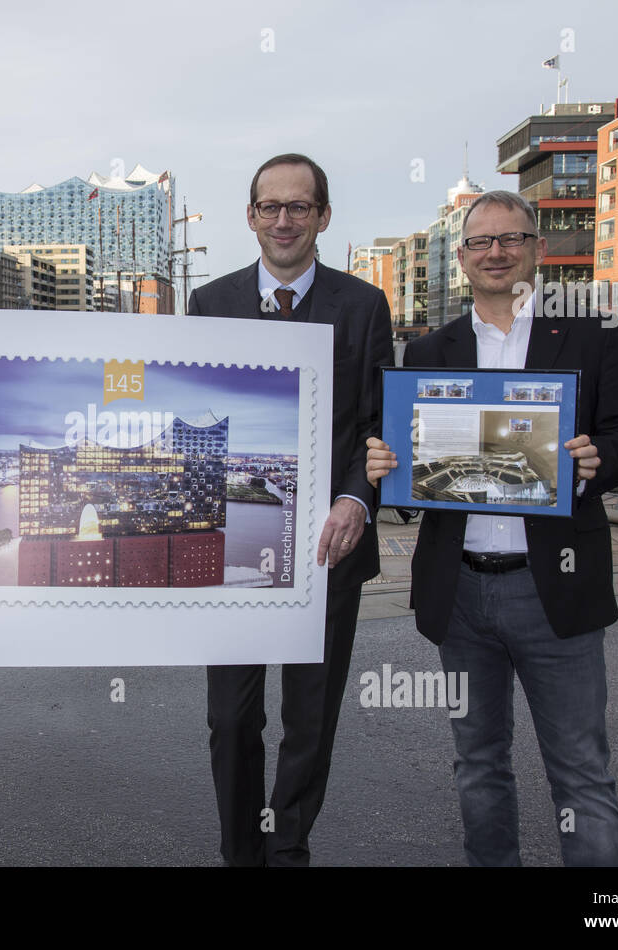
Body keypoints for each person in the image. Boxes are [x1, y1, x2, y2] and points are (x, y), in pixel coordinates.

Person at [366, 189, 618, 866]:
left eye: (511, 239)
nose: (495, 252)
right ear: (461, 259)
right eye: (479, 242)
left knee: (581, 772)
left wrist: (597, 459)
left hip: (553, 586)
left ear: (538, 249)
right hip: (459, 592)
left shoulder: (593, 335)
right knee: (478, 765)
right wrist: (389, 465)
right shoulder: (432, 351)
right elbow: (417, 473)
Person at [187, 153, 393, 866]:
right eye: (269, 207)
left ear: (323, 217)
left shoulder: (364, 305)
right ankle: (240, 851)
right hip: (236, 549)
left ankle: (288, 848)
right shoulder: (209, 305)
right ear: (250, 217)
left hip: (328, 547)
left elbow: (378, 422)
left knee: (310, 717)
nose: (283, 220)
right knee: (230, 718)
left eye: (298, 207)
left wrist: (354, 501)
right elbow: (194, 414)